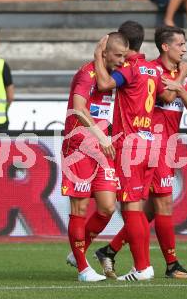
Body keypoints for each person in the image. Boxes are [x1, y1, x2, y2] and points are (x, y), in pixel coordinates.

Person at [94, 25, 187, 279]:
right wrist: (179, 81)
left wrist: (181, 82)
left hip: (163, 144)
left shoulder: (185, 71)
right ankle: (169, 264)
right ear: (165, 46)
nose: (185, 48)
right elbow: (163, 97)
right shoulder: (151, 69)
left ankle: (111, 250)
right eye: (180, 44)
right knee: (156, 204)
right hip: (153, 142)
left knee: (147, 209)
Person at [62, 32, 128, 282]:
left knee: (107, 206)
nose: (122, 61)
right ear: (105, 53)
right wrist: (101, 137)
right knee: (79, 208)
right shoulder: (86, 74)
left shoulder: (111, 78)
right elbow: (78, 109)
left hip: (102, 150)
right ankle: (82, 268)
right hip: (79, 147)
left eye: (124, 56)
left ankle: (77, 252)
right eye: (118, 55)